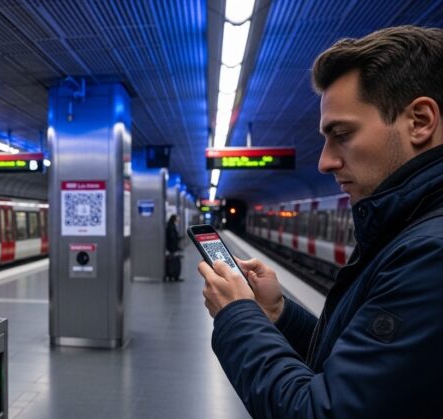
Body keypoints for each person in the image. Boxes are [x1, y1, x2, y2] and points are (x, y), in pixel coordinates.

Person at [197, 26, 443, 418]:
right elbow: (361, 369)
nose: (324, 162)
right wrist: (279, 314)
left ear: (420, 121)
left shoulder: (430, 255)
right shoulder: (408, 229)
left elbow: (320, 410)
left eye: (341, 134)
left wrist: (236, 314)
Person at [165, 214, 182, 281]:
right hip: (172, 248)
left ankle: (170, 275)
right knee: (174, 262)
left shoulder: (170, 225)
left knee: (171, 262)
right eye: (177, 218)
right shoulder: (172, 226)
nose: (178, 220)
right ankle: (174, 276)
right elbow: (172, 238)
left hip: (170, 247)